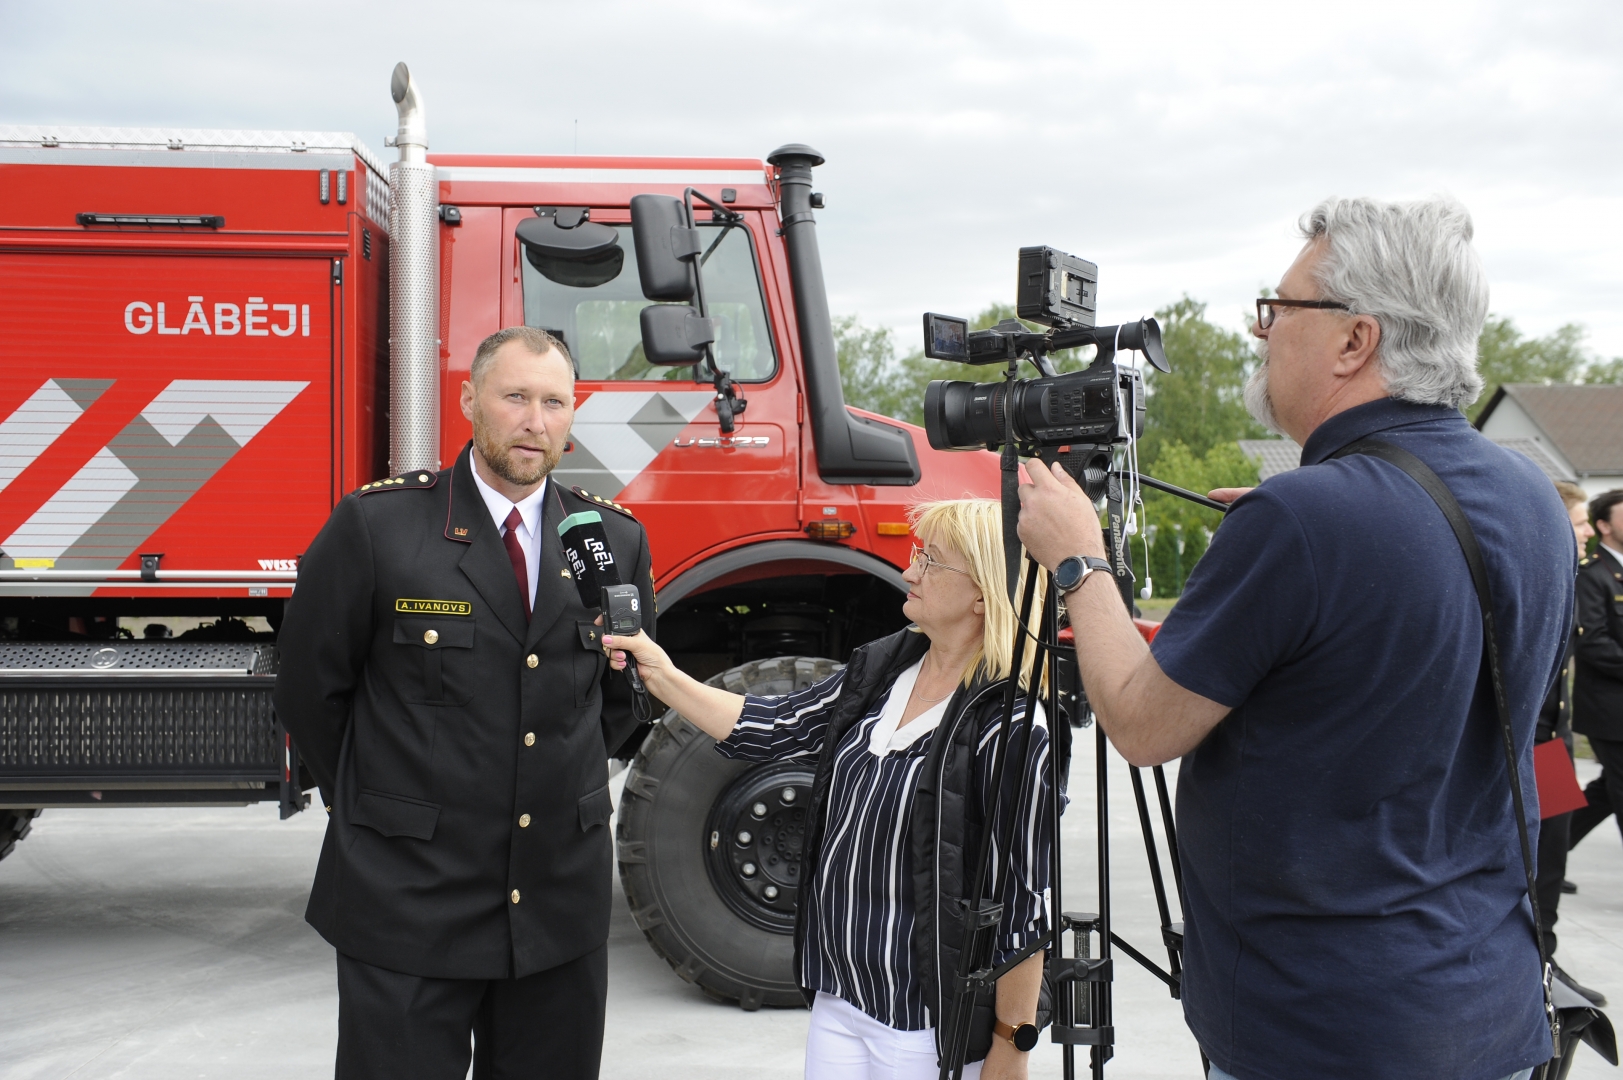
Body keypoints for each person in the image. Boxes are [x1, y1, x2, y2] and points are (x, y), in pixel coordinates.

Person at [1017, 196, 1572, 1080]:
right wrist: (1295, 540)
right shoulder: (1530, 493)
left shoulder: (1307, 519)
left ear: (1355, 340)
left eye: (1277, 309)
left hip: (1321, 1029)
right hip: (1485, 1006)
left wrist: (1079, 560)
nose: (1258, 329)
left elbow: (1141, 726)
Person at [274, 326, 654, 1080]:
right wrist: (379, 807)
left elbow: (621, 700)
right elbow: (311, 690)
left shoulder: (611, 540)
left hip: (554, 901)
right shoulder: (379, 527)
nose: (535, 422)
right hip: (409, 895)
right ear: (468, 400)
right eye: (515, 397)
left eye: (555, 403)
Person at [605, 499, 1053, 1080]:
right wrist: (660, 673)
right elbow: (771, 726)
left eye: (931, 561)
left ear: (984, 595)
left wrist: (1011, 1046)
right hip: (838, 1002)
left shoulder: (1012, 727)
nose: (910, 570)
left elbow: (1022, 907)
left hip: (923, 1025)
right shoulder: (883, 671)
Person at [1537, 481, 1605, 1006]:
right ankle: (1536, 965)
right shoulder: (1539, 577)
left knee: (1553, 857)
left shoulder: (1569, 575)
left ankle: (1548, 960)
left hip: (1554, 746)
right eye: (1580, 523)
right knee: (1534, 859)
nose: (1587, 532)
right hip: (1533, 745)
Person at [1569, 488, 1623, 854]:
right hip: (1609, 709)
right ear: (1604, 526)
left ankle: (1547, 855)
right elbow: (1592, 641)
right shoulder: (1592, 574)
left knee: (1607, 789)